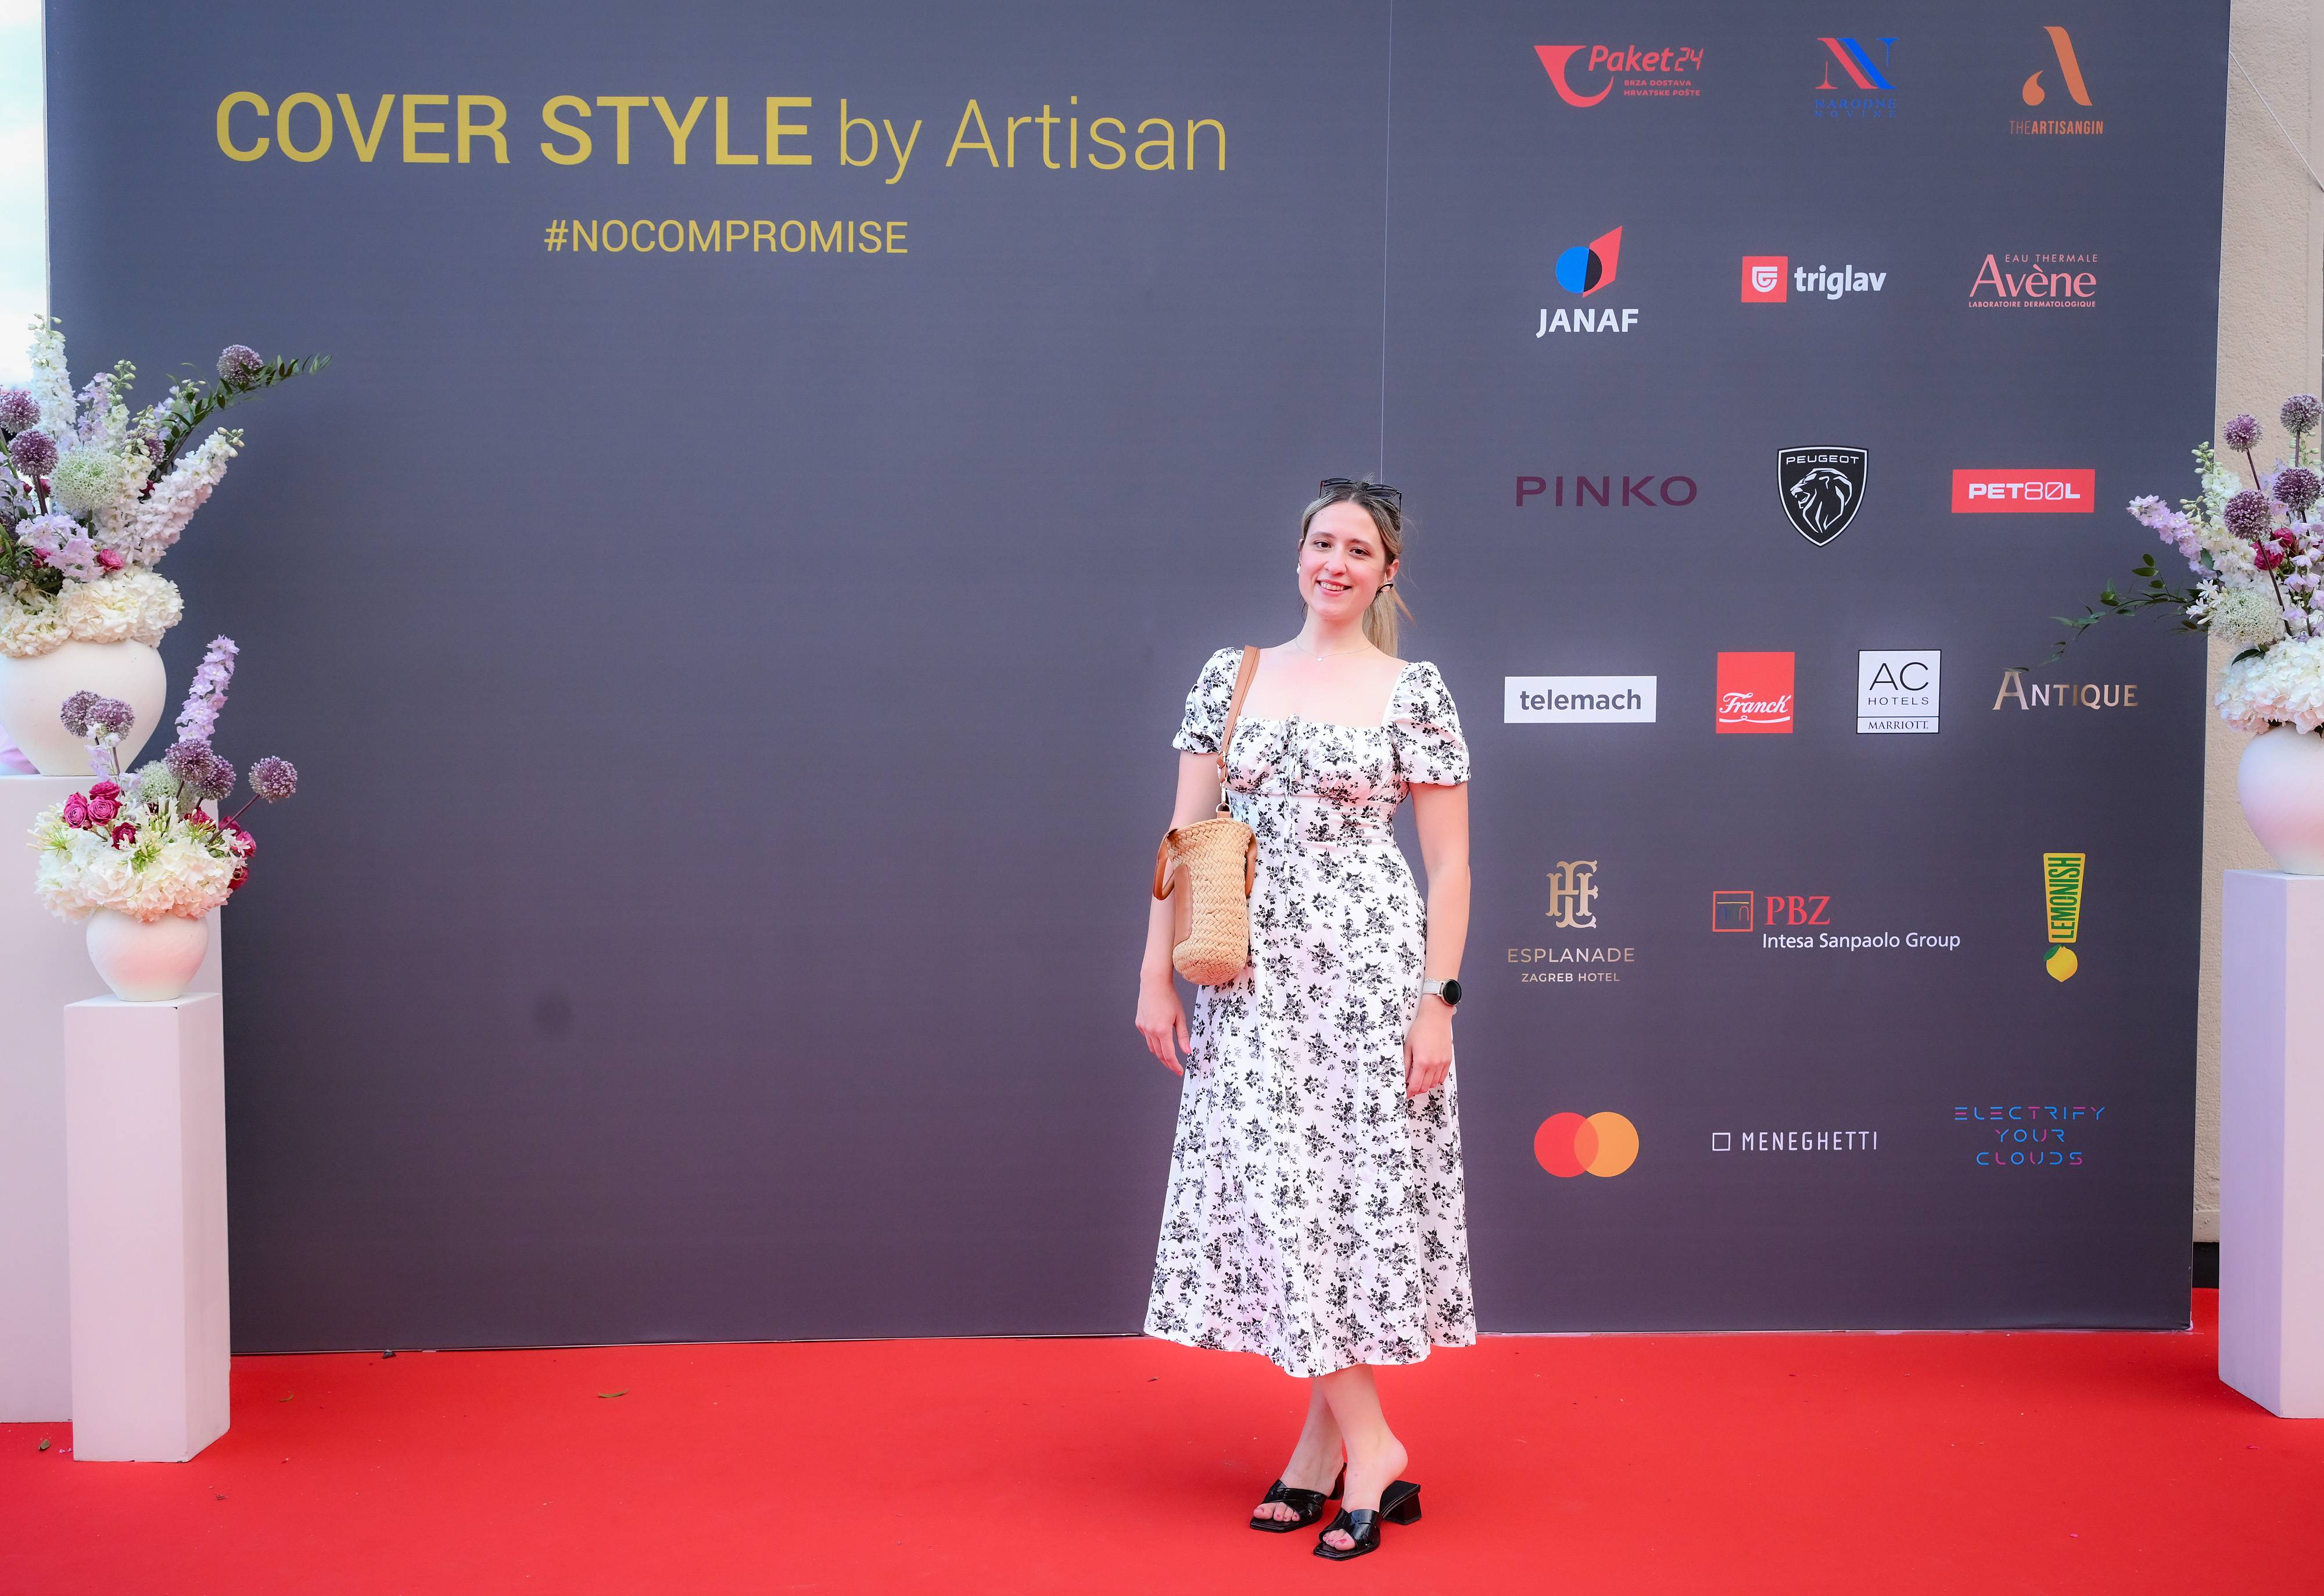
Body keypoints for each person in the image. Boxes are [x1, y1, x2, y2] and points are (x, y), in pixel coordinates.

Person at [1135, 478, 1474, 1562]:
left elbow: (1452, 866)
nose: (1336, 562)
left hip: (1370, 980)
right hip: (1250, 982)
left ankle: (1349, 1450)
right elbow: (1182, 841)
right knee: (1281, 1201)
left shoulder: (1413, 690)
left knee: (1340, 1203)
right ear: (1298, 555)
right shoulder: (1230, 675)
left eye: (1359, 550)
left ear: (1388, 573)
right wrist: (1155, 975)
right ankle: (1350, 1445)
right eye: (1323, 543)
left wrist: (1437, 1002)